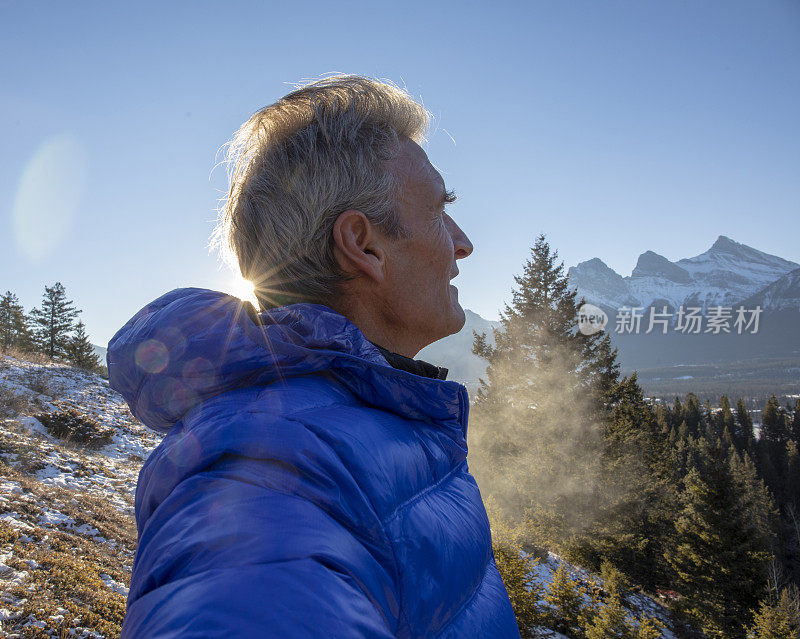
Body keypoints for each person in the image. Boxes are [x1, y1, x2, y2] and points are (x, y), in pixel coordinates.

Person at [108, 75, 521, 638]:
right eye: (438, 210)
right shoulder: (275, 468)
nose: (462, 241)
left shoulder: (362, 425)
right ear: (365, 245)